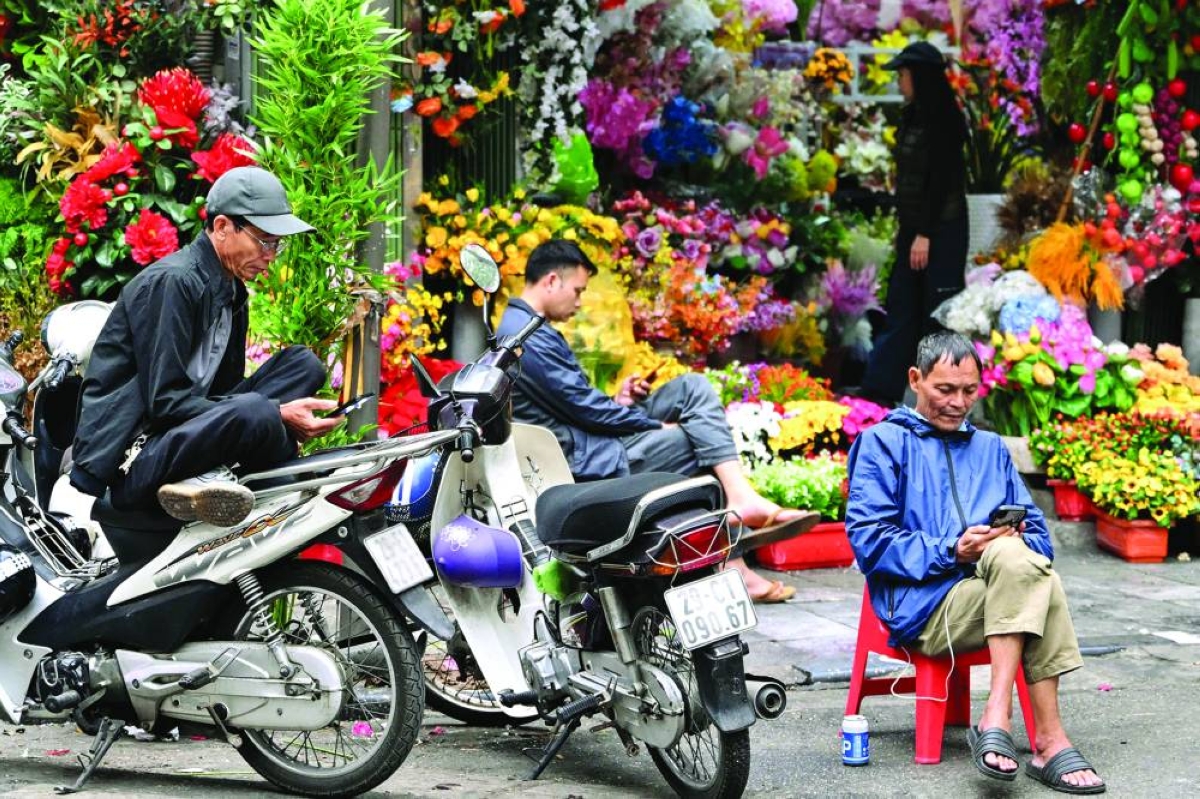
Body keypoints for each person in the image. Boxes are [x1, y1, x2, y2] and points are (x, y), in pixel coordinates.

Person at [845, 331, 1105, 794]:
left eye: (969, 391)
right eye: (945, 390)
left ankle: (1000, 718)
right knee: (1038, 581)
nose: (958, 403)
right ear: (916, 380)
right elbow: (870, 542)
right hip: (923, 607)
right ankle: (1040, 735)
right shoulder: (882, 443)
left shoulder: (989, 449)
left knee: (1022, 560)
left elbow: (1042, 541)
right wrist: (953, 550)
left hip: (997, 594)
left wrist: (1016, 537)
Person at [498, 238, 817, 603]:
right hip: (589, 456)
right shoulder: (526, 336)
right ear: (552, 281)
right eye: (578, 290)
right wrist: (650, 426)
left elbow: (576, 403)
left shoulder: (528, 328)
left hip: (592, 435)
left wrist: (622, 400)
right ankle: (732, 566)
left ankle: (740, 495)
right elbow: (584, 409)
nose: (580, 301)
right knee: (687, 442)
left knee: (692, 388)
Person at [70, 166, 343, 527]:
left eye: (277, 244)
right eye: (265, 241)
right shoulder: (174, 283)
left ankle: (220, 464)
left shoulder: (231, 291)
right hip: (137, 455)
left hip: (183, 435)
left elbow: (223, 394)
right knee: (258, 410)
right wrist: (275, 414)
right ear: (222, 227)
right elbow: (165, 401)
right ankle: (208, 471)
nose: (271, 255)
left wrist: (265, 414)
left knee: (303, 364)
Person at [857, 41, 969, 408]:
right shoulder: (913, 116)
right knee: (902, 306)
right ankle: (879, 392)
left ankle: (941, 397)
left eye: (903, 75)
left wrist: (924, 234)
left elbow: (941, 182)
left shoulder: (945, 121)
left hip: (941, 231)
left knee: (935, 315)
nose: (900, 82)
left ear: (920, 77)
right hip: (915, 230)